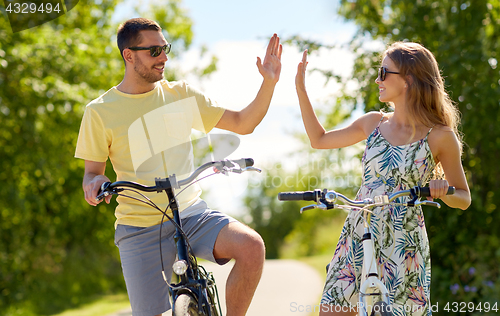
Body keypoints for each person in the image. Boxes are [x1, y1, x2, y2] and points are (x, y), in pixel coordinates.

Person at [75, 18, 282, 316]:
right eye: (154, 51)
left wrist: (269, 81)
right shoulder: (99, 111)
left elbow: (242, 123)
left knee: (251, 247)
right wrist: (94, 184)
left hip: (191, 214)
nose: (164, 58)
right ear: (128, 55)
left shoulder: (181, 94)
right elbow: (92, 173)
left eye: (165, 49)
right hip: (139, 226)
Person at [295, 42, 471, 315]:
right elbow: (319, 140)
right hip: (359, 230)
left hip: (403, 242)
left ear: (408, 81)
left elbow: (464, 198)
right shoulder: (373, 123)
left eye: (384, 72)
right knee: (332, 310)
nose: (378, 79)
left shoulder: (440, 136)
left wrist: (445, 190)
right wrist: (301, 90)